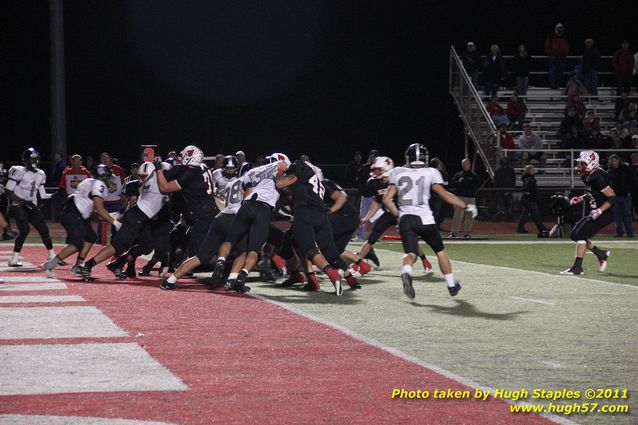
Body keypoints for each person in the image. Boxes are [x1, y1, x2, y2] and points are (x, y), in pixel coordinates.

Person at [382, 143, 477, 300]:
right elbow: (445, 195)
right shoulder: (431, 172)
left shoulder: (397, 172)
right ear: (425, 158)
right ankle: (451, 284)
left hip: (406, 219)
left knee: (410, 254)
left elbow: (386, 199)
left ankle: (407, 272)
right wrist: (466, 206)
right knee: (440, 251)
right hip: (425, 219)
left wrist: (399, 214)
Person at [275, 156, 359, 295]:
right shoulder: (315, 181)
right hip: (321, 215)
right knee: (331, 253)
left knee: (309, 250)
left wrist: (280, 170)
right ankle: (351, 279)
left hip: (305, 213)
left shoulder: (299, 167)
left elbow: (280, 184)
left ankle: (332, 275)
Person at [75, 158, 169, 281]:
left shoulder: (156, 180)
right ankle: (88, 265)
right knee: (117, 245)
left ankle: (117, 264)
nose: (141, 179)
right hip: (136, 217)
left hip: (140, 218)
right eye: (140, 176)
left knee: (147, 245)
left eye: (144, 176)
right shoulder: (156, 182)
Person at [210, 154, 289, 292]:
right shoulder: (279, 168)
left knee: (229, 241)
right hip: (263, 208)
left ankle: (221, 260)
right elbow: (281, 183)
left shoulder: (253, 171)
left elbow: (244, 189)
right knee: (253, 250)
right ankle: (242, 277)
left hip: (246, 206)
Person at [43, 165, 121, 277]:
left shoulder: (89, 181)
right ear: (103, 176)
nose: (110, 180)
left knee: (91, 237)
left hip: (75, 211)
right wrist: (115, 222)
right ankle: (51, 264)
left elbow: (93, 211)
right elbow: (99, 209)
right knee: (77, 243)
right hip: (74, 213)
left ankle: (78, 265)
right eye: (108, 177)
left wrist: (109, 216)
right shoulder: (99, 184)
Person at [560, 151, 614, 275]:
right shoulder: (587, 176)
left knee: (580, 235)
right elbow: (594, 192)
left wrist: (600, 210)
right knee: (574, 234)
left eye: (583, 163)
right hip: (597, 211)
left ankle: (577, 268)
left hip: (605, 213)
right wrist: (581, 197)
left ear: (592, 163)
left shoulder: (598, 177)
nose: (580, 166)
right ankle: (601, 254)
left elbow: (612, 197)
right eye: (580, 163)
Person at [5, 148, 55, 266]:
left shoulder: (41, 174)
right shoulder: (18, 171)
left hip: (32, 205)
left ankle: (52, 255)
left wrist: (55, 195)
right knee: (24, 231)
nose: (34, 161)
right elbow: (8, 192)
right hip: (18, 205)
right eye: (31, 159)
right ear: (25, 160)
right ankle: (13, 259)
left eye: (35, 159)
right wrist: (24, 201)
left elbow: (42, 195)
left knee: (44, 230)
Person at [450, 158, 480, 238]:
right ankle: (454, 233)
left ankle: (467, 233)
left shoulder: (474, 176)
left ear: (469, 165)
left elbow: (477, 185)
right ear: (462, 165)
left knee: (469, 216)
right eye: (463, 164)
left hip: (470, 198)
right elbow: (452, 184)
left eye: (466, 164)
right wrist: (458, 182)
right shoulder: (458, 175)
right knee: (457, 216)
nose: (465, 165)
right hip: (460, 198)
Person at [517, 165, 548, 236]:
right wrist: (535, 197)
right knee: (535, 215)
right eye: (532, 170)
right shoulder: (530, 179)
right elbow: (533, 190)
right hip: (530, 199)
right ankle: (541, 228)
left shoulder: (526, 178)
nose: (533, 171)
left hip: (526, 198)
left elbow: (525, 189)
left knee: (524, 215)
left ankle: (520, 228)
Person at [607, 154, 634, 237]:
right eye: (612, 161)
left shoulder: (625, 169)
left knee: (627, 214)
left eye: (615, 160)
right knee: (617, 215)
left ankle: (629, 232)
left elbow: (632, 179)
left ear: (618, 160)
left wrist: (629, 191)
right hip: (614, 196)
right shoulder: (609, 171)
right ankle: (619, 232)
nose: (614, 162)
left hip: (625, 195)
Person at [355, 149, 378, 241]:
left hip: (377, 197)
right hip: (367, 196)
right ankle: (360, 236)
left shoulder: (380, 167)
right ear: (370, 158)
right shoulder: (365, 168)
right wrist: (364, 192)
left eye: (375, 157)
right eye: (372, 157)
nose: (374, 159)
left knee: (377, 217)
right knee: (363, 215)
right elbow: (359, 181)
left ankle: (375, 236)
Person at [545, 23, 569, 89]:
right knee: (553, 71)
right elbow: (547, 46)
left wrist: (565, 54)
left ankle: (557, 84)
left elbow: (567, 46)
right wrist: (550, 54)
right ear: (556, 28)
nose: (560, 29)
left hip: (562, 57)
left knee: (560, 71)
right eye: (559, 28)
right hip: (553, 56)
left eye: (561, 28)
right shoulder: (551, 36)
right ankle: (552, 84)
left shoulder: (564, 37)